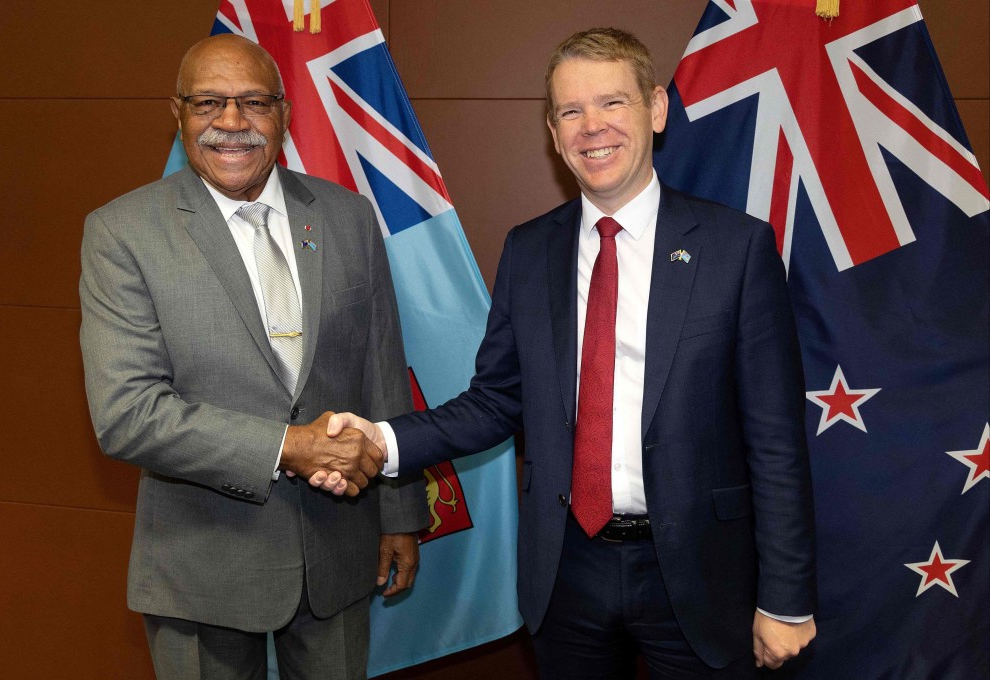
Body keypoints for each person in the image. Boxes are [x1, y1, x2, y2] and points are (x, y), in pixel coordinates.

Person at [323, 28, 817, 678]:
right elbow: (495, 401)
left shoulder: (737, 250)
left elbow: (776, 439)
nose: (592, 127)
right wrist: (380, 441)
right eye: (570, 111)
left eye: (612, 103)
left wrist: (786, 599)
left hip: (699, 574)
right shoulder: (530, 251)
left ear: (656, 109)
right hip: (566, 573)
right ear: (554, 133)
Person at [79, 34, 428, 680]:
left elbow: (381, 370)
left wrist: (400, 514)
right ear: (177, 114)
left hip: (339, 554)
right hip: (202, 570)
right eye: (209, 102)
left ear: (284, 114)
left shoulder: (349, 217)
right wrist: (288, 446)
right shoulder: (122, 234)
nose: (232, 123)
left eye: (254, 103)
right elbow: (127, 413)